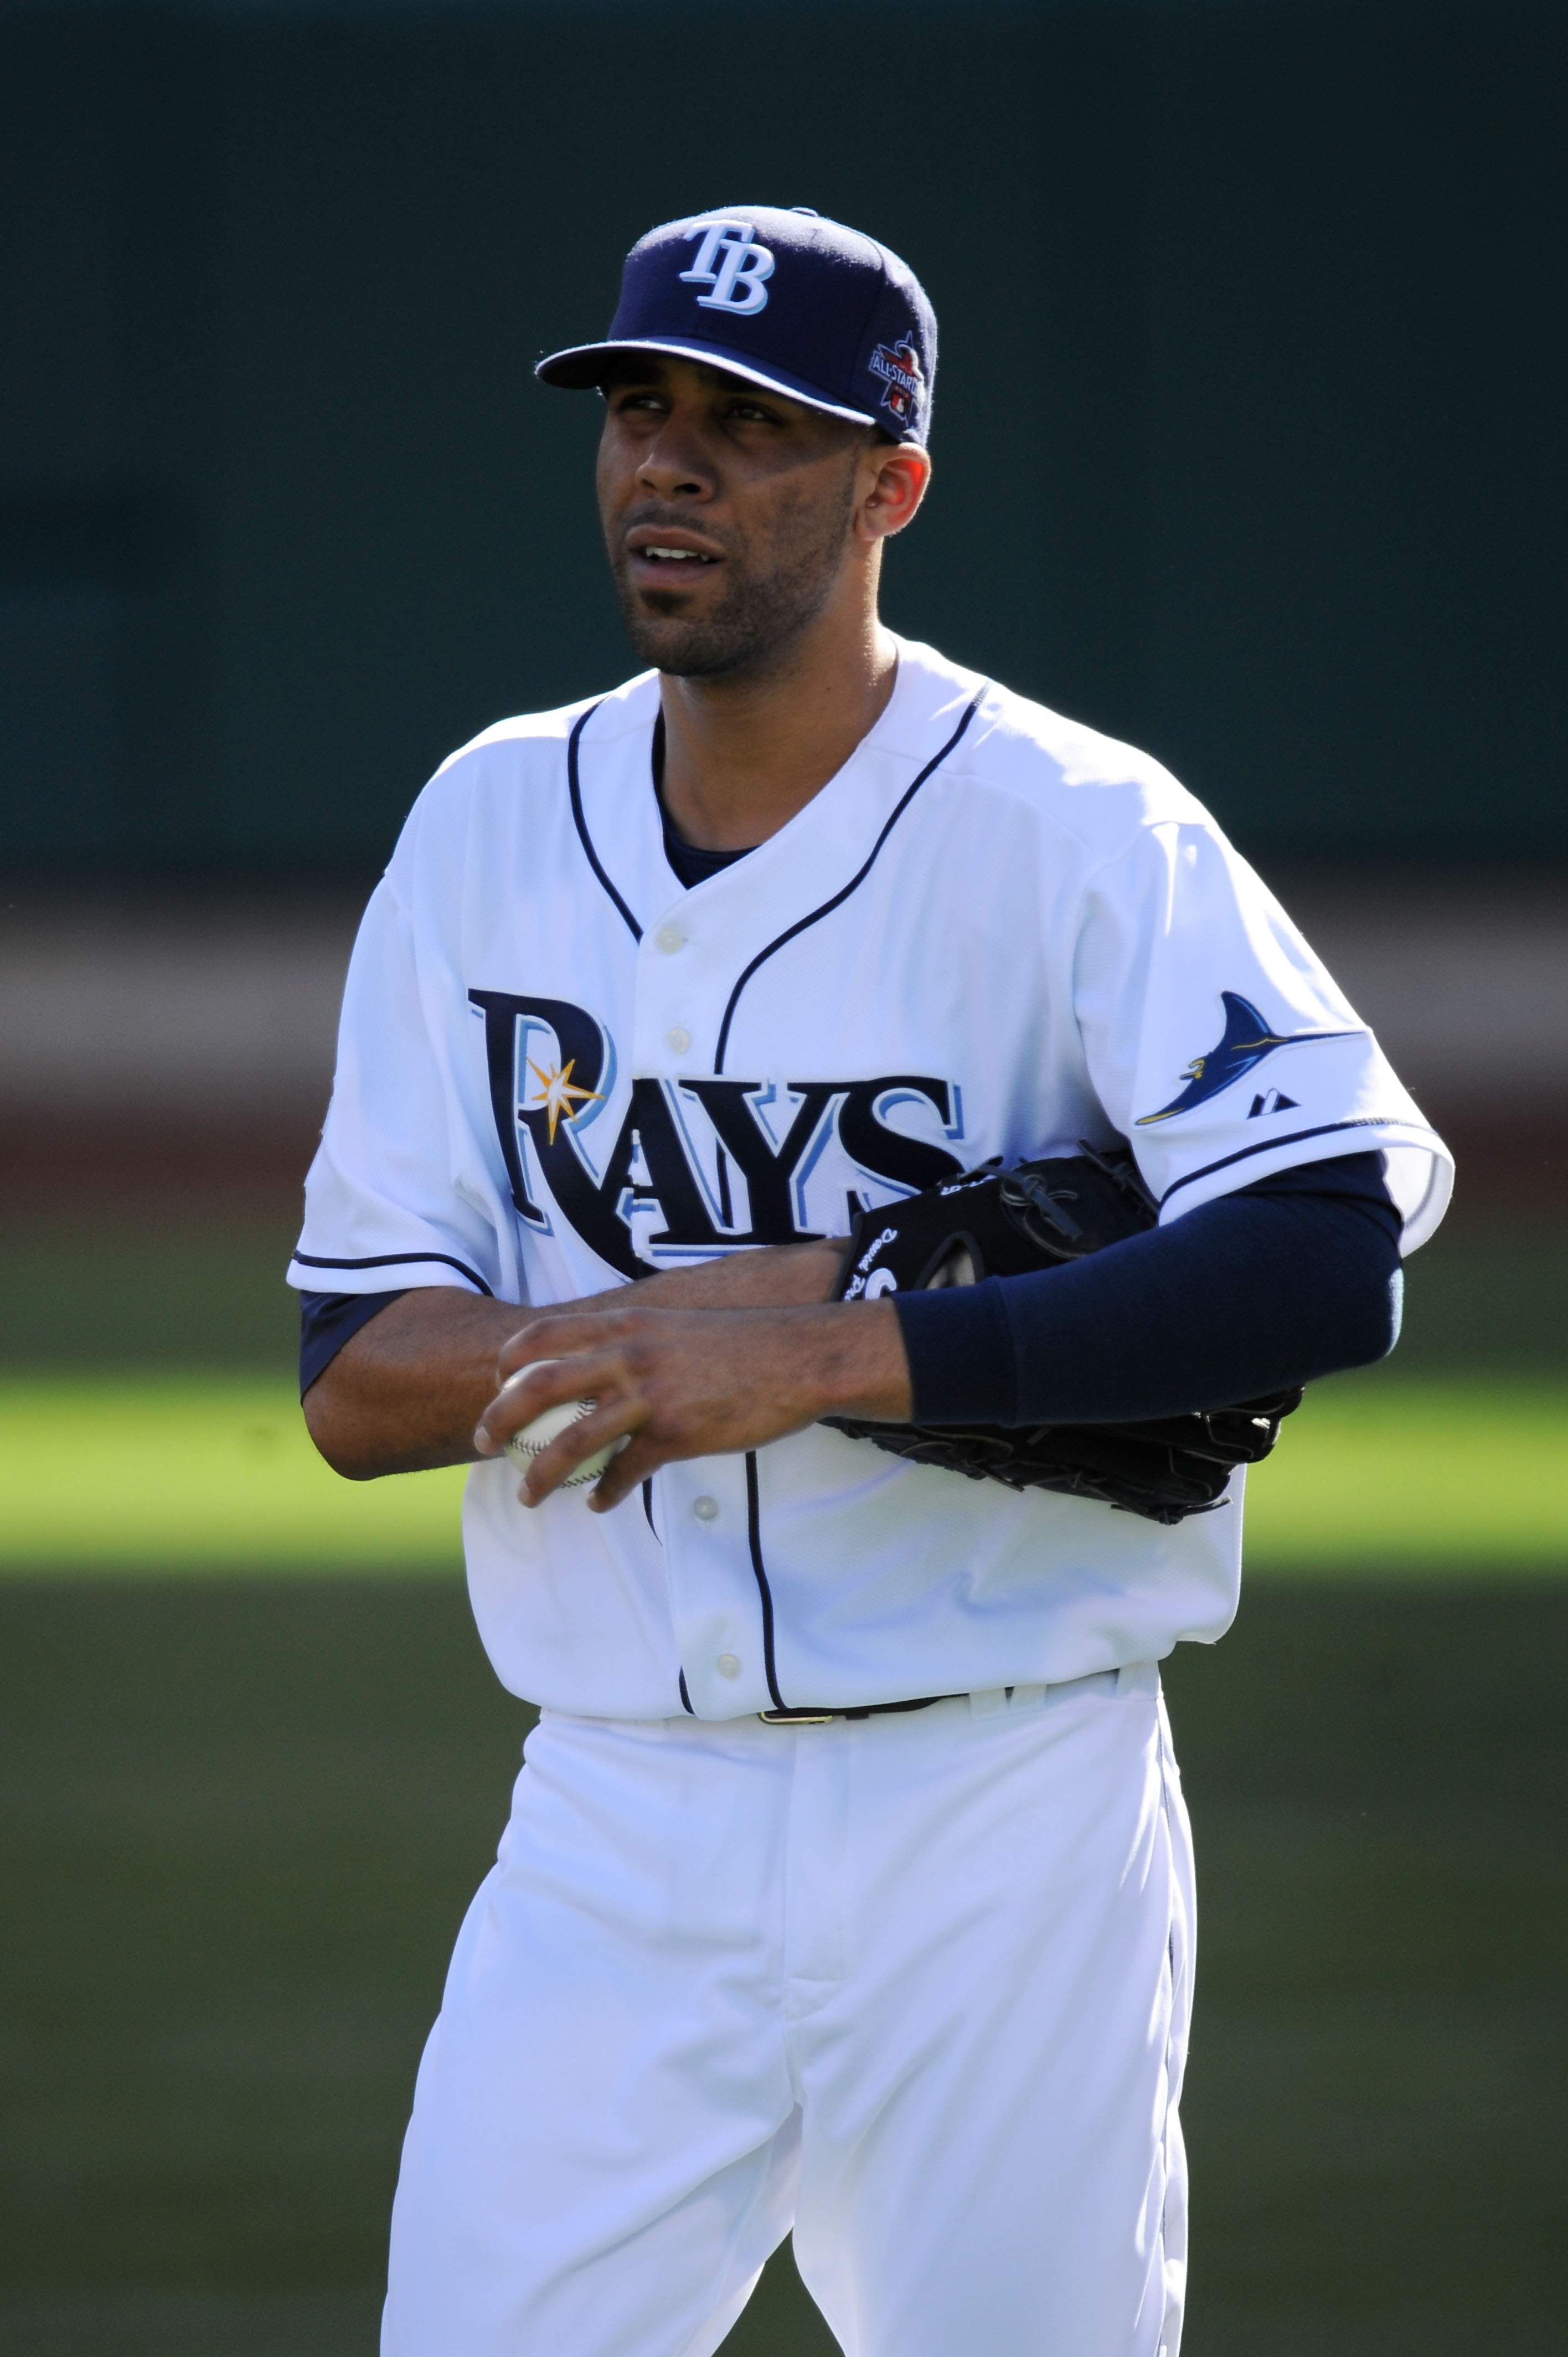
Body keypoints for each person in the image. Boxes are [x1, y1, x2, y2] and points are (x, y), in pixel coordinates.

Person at [292, 206, 1452, 2357]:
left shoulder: (1075, 827)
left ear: (891, 481)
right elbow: (353, 1367)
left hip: (1005, 1818)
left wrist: (827, 1346)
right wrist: (641, 1339)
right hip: (614, 1819)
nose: (671, 465)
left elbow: (1325, 1242)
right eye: (643, 408)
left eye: (750, 425)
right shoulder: (483, 829)